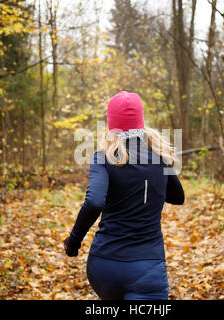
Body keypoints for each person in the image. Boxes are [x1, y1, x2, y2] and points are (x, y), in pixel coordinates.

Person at [63, 91, 185, 300]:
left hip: (104, 267)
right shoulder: (158, 158)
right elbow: (177, 196)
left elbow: (94, 201)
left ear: (112, 125)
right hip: (147, 269)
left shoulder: (103, 159)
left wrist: (73, 241)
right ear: (141, 122)